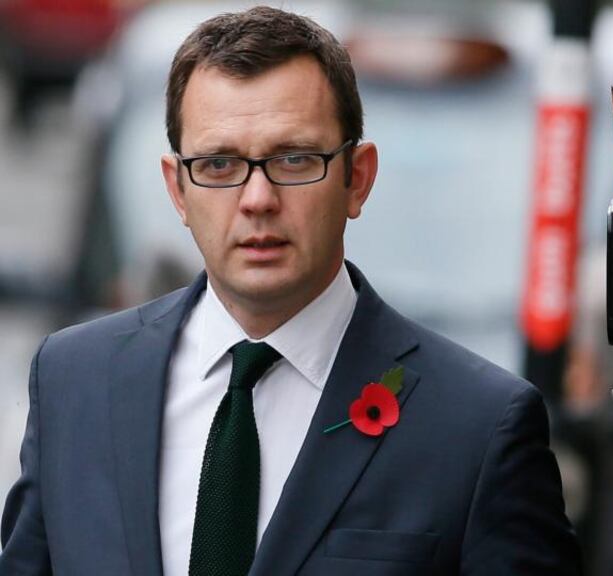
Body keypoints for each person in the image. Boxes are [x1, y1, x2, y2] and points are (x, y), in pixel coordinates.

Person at [0, 7, 580, 575]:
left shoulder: (478, 426)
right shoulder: (73, 381)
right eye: (220, 164)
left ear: (357, 178)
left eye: (294, 159)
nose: (256, 199)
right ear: (177, 190)